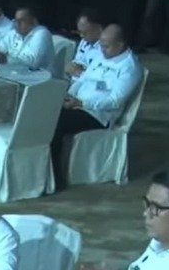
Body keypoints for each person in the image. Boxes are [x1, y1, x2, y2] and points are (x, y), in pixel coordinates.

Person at [50, 24, 142, 188]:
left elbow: (115, 101)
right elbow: (83, 80)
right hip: (77, 103)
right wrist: (67, 95)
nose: (102, 50)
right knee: (44, 111)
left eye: (106, 46)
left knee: (56, 123)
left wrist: (82, 103)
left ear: (120, 44)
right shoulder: (102, 55)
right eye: (101, 45)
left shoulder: (129, 67)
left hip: (98, 115)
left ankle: (55, 178)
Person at [0, 5, 53, 70]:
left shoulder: (42, 33)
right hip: (15, 73)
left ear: (34, 21)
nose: (17, 24)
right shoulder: (14, 33)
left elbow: (33, 62)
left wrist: (6, 59)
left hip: (39, 75)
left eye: (22, 20)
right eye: (16, 20)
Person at [65, 8, 104, 77]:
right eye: (80, 32)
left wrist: (80, 73)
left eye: (85, 33)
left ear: (99, 29)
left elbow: (101, 77)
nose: (81, 36)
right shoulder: (84, 41)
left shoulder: (107, 49)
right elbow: (76, 61)